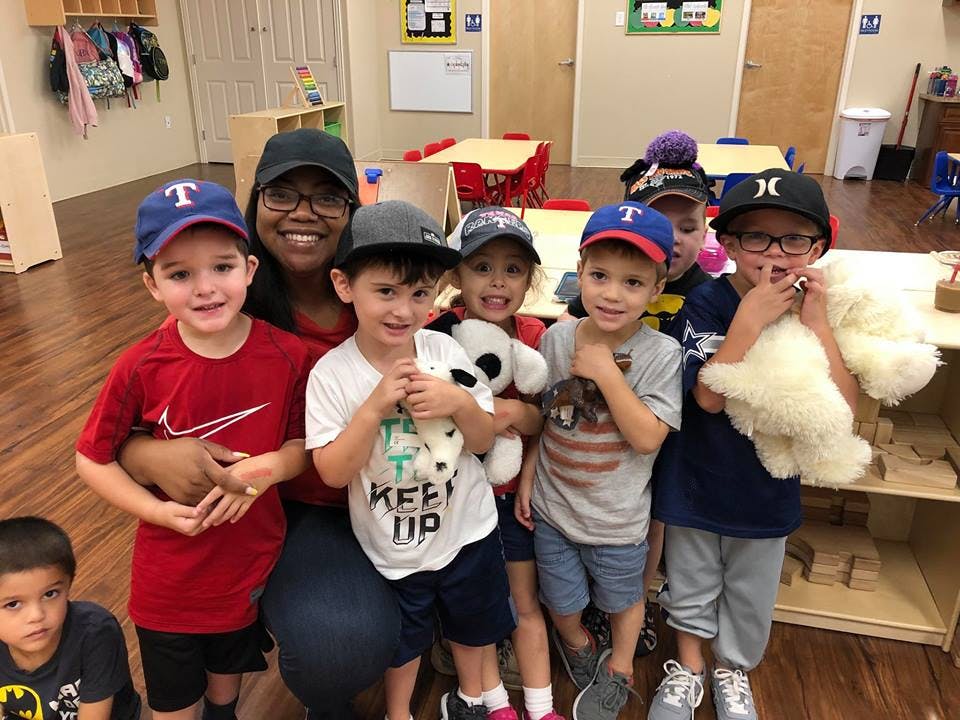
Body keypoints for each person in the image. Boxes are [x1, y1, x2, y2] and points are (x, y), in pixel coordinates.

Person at [113, 130, 401, 720]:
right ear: (256, 203)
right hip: (290, 508)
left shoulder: (383, 300)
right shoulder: (219, 308)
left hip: (385, 490)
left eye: (328, 198)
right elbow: (124, 429)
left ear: (352, 211)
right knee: (339, 643)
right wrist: (152, 457)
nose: (304, 213)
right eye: (282, 194)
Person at [75, 179, 311, 720]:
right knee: (175, 699)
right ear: (152, 285)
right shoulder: (140, 365)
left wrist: (269, 467)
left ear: (249, 270)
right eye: (180, 274)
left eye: (221, 267)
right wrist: (156, 511)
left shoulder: (289, 355)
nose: (205, 288)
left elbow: (303, 444)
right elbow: (92, 456)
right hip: (169, 577)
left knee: (227, 677)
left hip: (249, 560)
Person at [648, 170, 857, 720]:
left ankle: (732, 668)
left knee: (751, 591)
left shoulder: (820, 305)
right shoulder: (705, 302)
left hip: (769, 488)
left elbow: (845, 408)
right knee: (690, 581)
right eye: (757, 237)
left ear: (818, 247)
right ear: (730, 244)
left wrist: (818, 324)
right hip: (696, 478)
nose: (776, 252)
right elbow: (708, 398)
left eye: (795, 239)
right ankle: (688, 665)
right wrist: (748, 320)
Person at [307, 201, 515, 720]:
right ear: (344, 285)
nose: (403, 310)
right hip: (392, 547)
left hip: (466, 531)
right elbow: (332, 472)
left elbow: (482, 441)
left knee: (474, 625)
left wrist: (459, 403)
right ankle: (398, 712)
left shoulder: (444, 352)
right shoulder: (332, 374)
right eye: (386, 291)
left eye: (419, 293)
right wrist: (374, 407)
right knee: (402, 644)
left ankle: (472, 699)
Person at [517, 203, 683, 720]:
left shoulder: (660, 354)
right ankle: (576, 641)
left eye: (633, 282)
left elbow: (648, 438)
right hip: (554, 508)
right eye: (600, 276)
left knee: (624, 601)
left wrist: (608, 374)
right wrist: (527, 477)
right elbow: (544, 417)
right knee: (560, 601)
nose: (612, 294)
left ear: (656, 288)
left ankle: (621, 667)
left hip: (617, 521)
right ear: (580, 272)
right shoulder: (556, 339)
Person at [561, 130, 713, 658]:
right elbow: (572, 324)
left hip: (671, 429)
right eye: (660, 225)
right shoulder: (611, 288)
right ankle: (600, 598)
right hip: (604, 442)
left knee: (654, 520)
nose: (675, 241)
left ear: (707, 229)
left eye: (688, 227)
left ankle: (636, 601)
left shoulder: (705, 293)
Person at [428, 207, 562, 720]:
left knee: (523, 599)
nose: (498, 281)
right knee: (473, 605)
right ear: (455, 276)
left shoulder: (534, 336)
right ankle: (493, 701)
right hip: (455, 501)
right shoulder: (437, 336)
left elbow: (544, 418)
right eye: (481, 267)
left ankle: (542, 706)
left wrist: (518, 414)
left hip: (508, 501)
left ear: (530, 280)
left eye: (513, 269)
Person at [0, 517, 141, 720]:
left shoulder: (95, 633)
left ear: (68, 585)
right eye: (13, 604)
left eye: (50, 594)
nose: (36, 615)